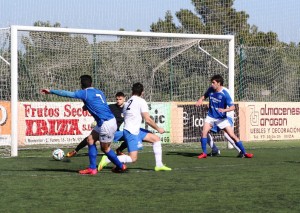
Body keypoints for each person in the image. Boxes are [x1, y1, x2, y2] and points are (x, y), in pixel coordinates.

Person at [41, 75, 126, 175]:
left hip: (105, 123)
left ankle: (120, 166)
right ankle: (92, 168)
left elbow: (67, 94)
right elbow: (98, 103)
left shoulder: (84, 93)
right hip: (108, 121)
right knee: (90, 139)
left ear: (81, 84)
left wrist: (51, 91)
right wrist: (87, 106)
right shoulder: (99, 92)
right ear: (91, 83)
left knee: (105, 148)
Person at [98, 82, 172, 171]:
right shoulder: (141, 101)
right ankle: (108, 159)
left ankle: (159, 165)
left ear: (132, 91)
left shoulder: (128, 102)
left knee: (156, 139)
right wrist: (158, 129)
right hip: (132, 133)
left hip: (134, 130)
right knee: (133, 159)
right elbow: (148, 120)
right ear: (142, 92)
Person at [195, 74, 253, 159]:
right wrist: (200, 99)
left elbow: (233, 107)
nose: (212, 84)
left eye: (213, 82)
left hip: (221, 119)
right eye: (212, 82)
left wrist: (224, 110)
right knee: (204, 133)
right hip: (210, 117)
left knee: (232, 135)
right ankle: (204, 153)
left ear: (219, 83)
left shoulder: (225, 94)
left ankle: (244, 153)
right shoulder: (211, 90)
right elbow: (205, 96)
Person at [66, 91, 126, 157]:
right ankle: (75, 151)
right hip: (106, 130)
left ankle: (119, 150)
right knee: (90, 138)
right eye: (117, 99)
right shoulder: (111, 107)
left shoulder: (126, 109)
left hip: (116, 133)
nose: (118, 101)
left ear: (124, 99)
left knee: (131, 136)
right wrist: (95, 120)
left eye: (120, 99)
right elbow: (100, 110)